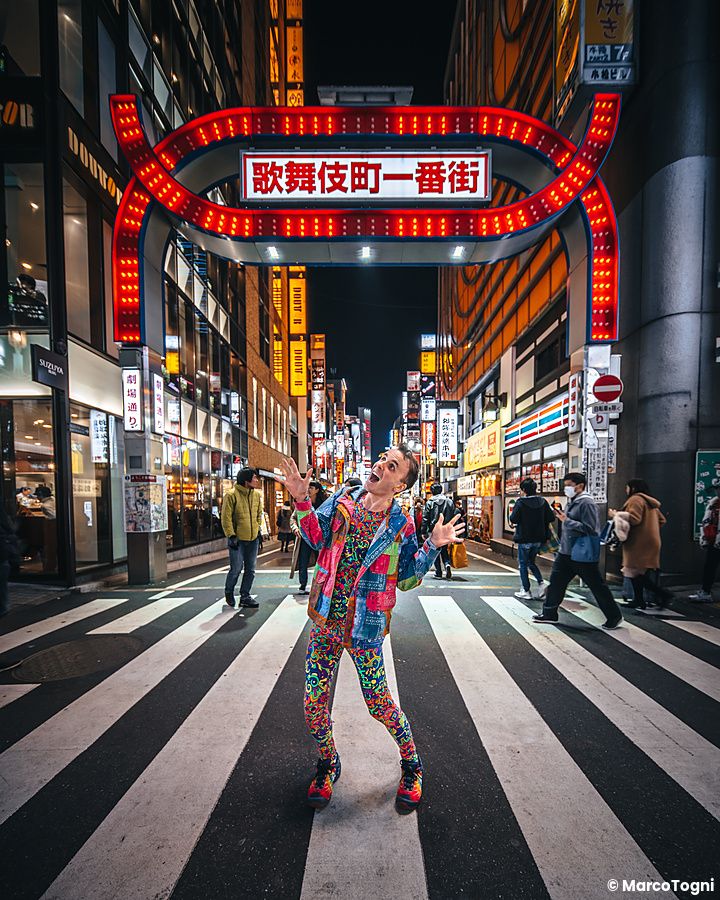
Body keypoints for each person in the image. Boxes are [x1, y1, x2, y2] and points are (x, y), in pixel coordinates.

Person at [279, 446, 464, 814]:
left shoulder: (401, 523)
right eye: (382, 458)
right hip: (326, 622)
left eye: (391, 466)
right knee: (313, 707)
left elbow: (408, 577)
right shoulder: (344, 499)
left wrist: (433, 545)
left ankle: (412, 764)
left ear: (400, 485)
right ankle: (328, 762)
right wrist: (301, 499)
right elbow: (315, 538)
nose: (381, 464)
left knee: (379, 705)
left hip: (366, 628)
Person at [533, 472, 623, 629]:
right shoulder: (573, 501)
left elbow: (591, 529)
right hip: (566, 552)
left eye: (569, 485)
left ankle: (614, 616)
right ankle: (549, 613)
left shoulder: (586, 503)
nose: (566, 488)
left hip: (581, 553)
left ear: (580, 486)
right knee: (556, 583)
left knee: (596, 585)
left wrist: (566, 521)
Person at [609, 478, 673, 610]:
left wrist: (616, 514)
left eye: (627, 487)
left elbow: (634, 519)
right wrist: (650, 530)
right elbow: (662, 520)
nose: (626, 490)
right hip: (650, 542)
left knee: (634, 572)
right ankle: (639, 600)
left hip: (638, 543)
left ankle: (663, 594)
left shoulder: (636, 499)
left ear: (633, 488)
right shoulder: (649, 502)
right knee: (638, 573)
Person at [220, 467, 262, 609]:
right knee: (236, 568)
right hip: (237, 539)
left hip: (253, 538)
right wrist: (231, 535)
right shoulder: (231, 495)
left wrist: (258, 529)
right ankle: (229, 591)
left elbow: (259, 513)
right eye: (254, 478)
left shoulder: (256, 495)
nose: (256, 480)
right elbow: (226, 517)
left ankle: (245, 596)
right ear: (246, 480)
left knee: (251, 569)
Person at [509, 477, 554, 600]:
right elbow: (551, 517)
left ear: (524, 489)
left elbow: (513, 519)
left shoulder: (521, 502)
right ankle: (541, 583)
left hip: (524, 538)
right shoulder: (542, 501)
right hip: (538, 539)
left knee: (523, 564)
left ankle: (526, 590)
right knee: (531, 562)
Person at [290, 479, 328, 594]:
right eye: (308, 488)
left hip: (320, 538)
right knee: (303, 561)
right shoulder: (303, 503)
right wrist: (295, 528)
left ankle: (321, 584)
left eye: (311, 488)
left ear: (317, 490)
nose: (309, 490)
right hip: (304, 538)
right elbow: (293, 518)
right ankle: (303, 584)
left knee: (321, 563)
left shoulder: (324, 504)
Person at [689, 478, 720, 602]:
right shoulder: (713, 504)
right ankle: (705, 591)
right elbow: (706, 521)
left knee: (710, 566)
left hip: (716, 540)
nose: (717, 492)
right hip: (713, 541)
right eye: (717, 489)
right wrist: (704, 538)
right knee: (709, 567)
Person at [423, 483, 456, 579]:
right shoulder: (449, 502)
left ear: (432, 491)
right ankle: (447, 564)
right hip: (446, 529)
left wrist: (424, 531)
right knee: (444, 549)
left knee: (435, 549)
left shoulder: (430, 502)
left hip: (434, 530)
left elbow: (426, 518)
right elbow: (454, 515)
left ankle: (438, 571)